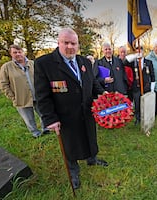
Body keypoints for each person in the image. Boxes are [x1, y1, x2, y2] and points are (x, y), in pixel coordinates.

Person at [34, 28, 108, 189]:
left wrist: (104, 94)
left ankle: (92, 159)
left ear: (78, 45)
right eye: (65, 43)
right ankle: (73, 171)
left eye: (73, 43)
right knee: (70, 145)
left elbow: (93, 83)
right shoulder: (44, 64)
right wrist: (50, 119)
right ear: (58, 43)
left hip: (87, 111)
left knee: (90, 137)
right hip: (65, 116)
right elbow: (42, 96)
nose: (70, 47)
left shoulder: (85, 62)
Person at [0, 44, 48, 138]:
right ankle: (35, 134)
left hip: (38, 95)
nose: (18, 54)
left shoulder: (33, 64)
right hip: (21, 98)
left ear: (23, 52)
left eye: (19, 52)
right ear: (11, 54)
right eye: (15, 52)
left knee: (43, 113)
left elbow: (42, 78)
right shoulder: (6, 67)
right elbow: (3, 84)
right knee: (28, 118)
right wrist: (13, 97)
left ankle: (46, 129)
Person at [124, 46, 155, 125]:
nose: (139, 52)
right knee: (137, 104)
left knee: (146, 104)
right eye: (137, 51)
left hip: (146, 87)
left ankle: (146, 118)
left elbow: (152, 75)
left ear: (143, 52)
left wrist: (152, 88)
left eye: (140, 50)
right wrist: (134, 56)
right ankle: (138, 118)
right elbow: (124, 62)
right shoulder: (133, 62)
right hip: (136, 87)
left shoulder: (148, 62)